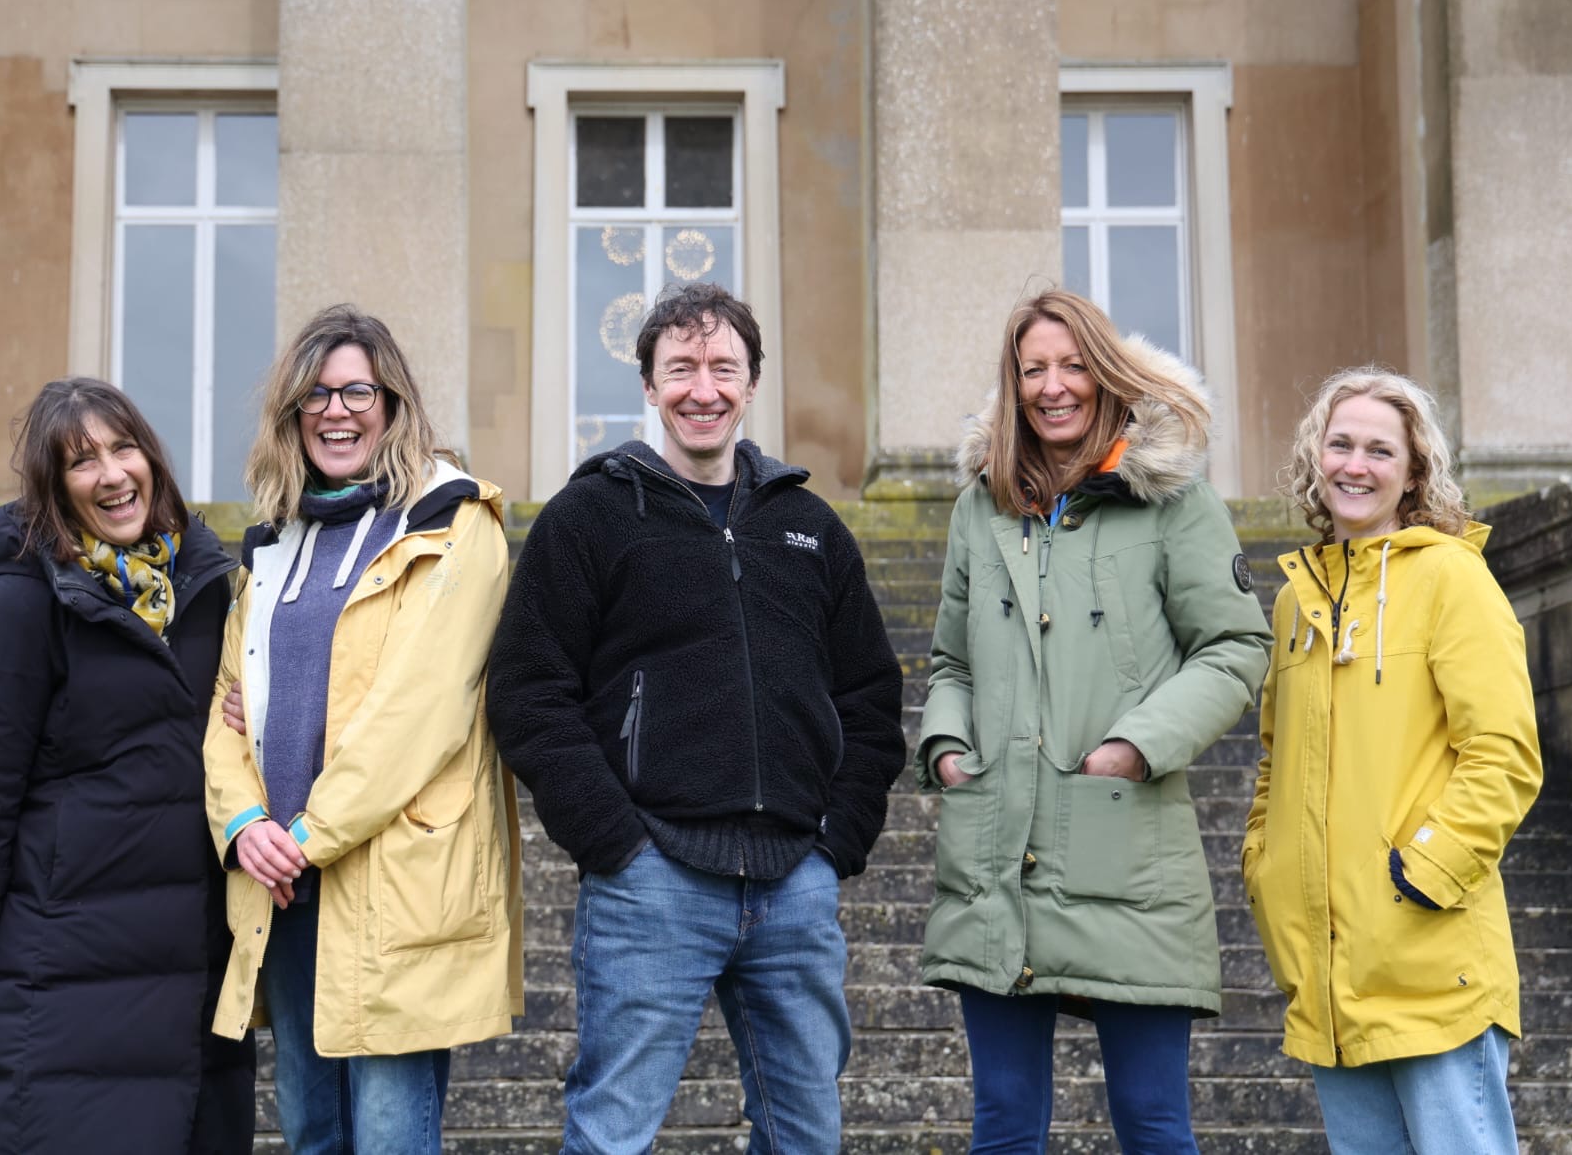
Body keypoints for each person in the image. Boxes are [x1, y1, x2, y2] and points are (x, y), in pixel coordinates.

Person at [487, 282, 905, 1154]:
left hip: (795, 884)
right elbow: (528, 691)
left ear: (753, 382)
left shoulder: (811, 527)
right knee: (611, 1137)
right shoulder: (589, 517)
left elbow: (870, 697)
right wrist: (615, 841)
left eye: (723, 366)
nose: (702, 388)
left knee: (807, 1138)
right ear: (648, 384)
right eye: (680, 367)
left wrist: (836, 845)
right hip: (653, 882)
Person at [916, 288, 1270, 1154]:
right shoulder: (980, 505)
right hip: (995, 854)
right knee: (1001, 1124)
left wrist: (1134, 749)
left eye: (1073, 364)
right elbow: (952, 660)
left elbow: (1234, 646)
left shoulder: (1174, 498)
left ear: (1106, 371)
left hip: (1129, 858)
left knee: (1153, 1124)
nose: (1053, 386)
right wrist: (948, 749)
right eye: (1034, 368)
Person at [200, 303, 521, 1155]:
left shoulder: (454, 521)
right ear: (291, 412)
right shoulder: (272, 543)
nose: (335, 411)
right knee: (312, 1133)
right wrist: (243, 824)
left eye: (356, 391)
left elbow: (422, 710)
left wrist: (307, 832)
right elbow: (227, 709)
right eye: (316, 394)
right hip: (285, 885)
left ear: (392, 403)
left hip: (391, 879)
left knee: (387, 1137)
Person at [0, 378, 255, 1154]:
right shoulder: (19, 608)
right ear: (52, 489)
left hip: (197, 982)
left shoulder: (210, 594)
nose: (111, 473)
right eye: (81, 461)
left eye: (123, 447)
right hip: (63, 984)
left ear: (152, 459)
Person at [1242, 367, 1542, 1155]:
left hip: (1433, 965)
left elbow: (1504, 753)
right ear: (1316, 458)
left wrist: (1428, 872)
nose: (1355, 464)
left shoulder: (1452, 577)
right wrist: (1265, 869)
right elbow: (1274, 760)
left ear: (1412, 474)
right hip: (1332, 982)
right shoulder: (1293, 601)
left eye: (1380, 449)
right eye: (1340, 443)